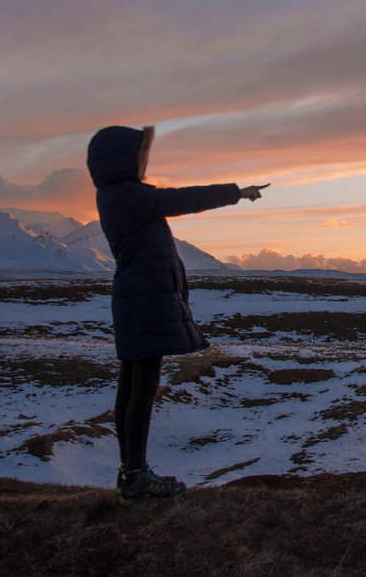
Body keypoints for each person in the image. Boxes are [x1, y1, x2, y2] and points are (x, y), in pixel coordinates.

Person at [86, 124, 267, 502]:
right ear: (123, 159)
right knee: (142, 386)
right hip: (144, 297)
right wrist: (236, 192)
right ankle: (136, 476)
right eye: (140, 156)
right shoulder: (129, 196)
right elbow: (182, 199)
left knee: (133, 384)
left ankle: (130, 472)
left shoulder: (116, 196)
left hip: (137, 296)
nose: (144, 163)